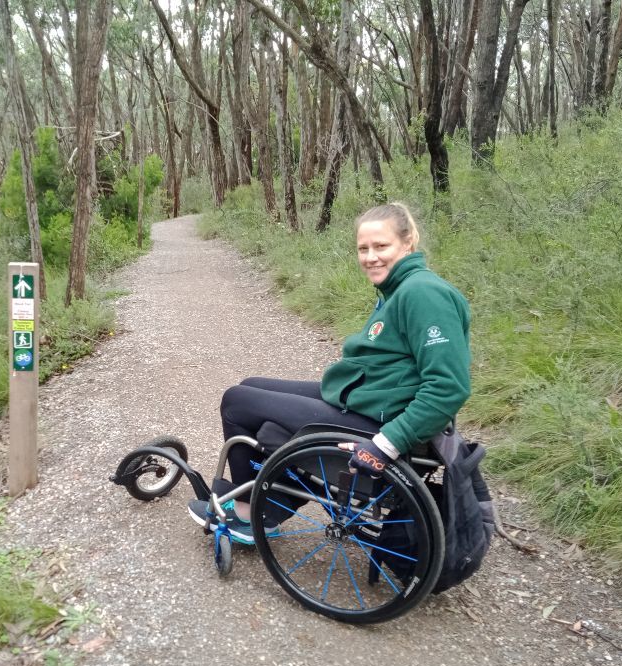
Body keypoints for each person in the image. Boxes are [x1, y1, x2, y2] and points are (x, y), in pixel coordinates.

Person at [188, 202, 471, 543]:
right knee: (251, 386)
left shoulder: (423, 293)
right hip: (370, 402)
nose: (371, 257)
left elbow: (448, 387)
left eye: (381, 246)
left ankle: (251, 514)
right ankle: (269, 493)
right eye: (363, 249)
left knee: (236, 401)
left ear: (408, 243)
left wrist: (387, 445)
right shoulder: (398, 288)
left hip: (383, 424)